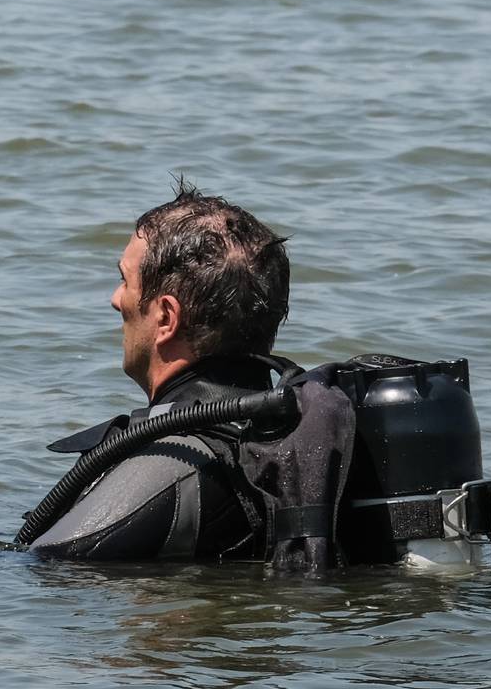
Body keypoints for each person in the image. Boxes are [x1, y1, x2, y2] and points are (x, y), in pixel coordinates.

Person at [24, 180, 291, 561]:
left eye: (125, 281)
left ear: (166, 317)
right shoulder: (275, 436)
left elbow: (51, 564)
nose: (116, 300)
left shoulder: (179, 463)